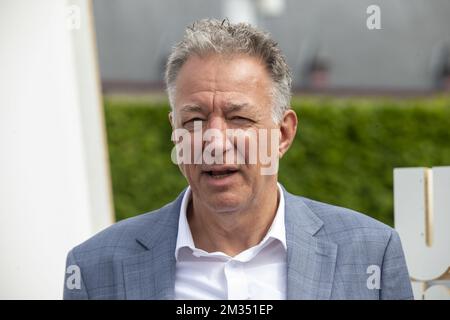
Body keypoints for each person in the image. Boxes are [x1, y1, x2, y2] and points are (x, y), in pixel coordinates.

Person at [63, 19, 413, 300]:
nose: (214, 140)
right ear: (175, 131)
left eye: (239, 118)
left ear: (283, 134)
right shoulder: (95, 268)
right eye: (194, 120)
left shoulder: (370, 254)